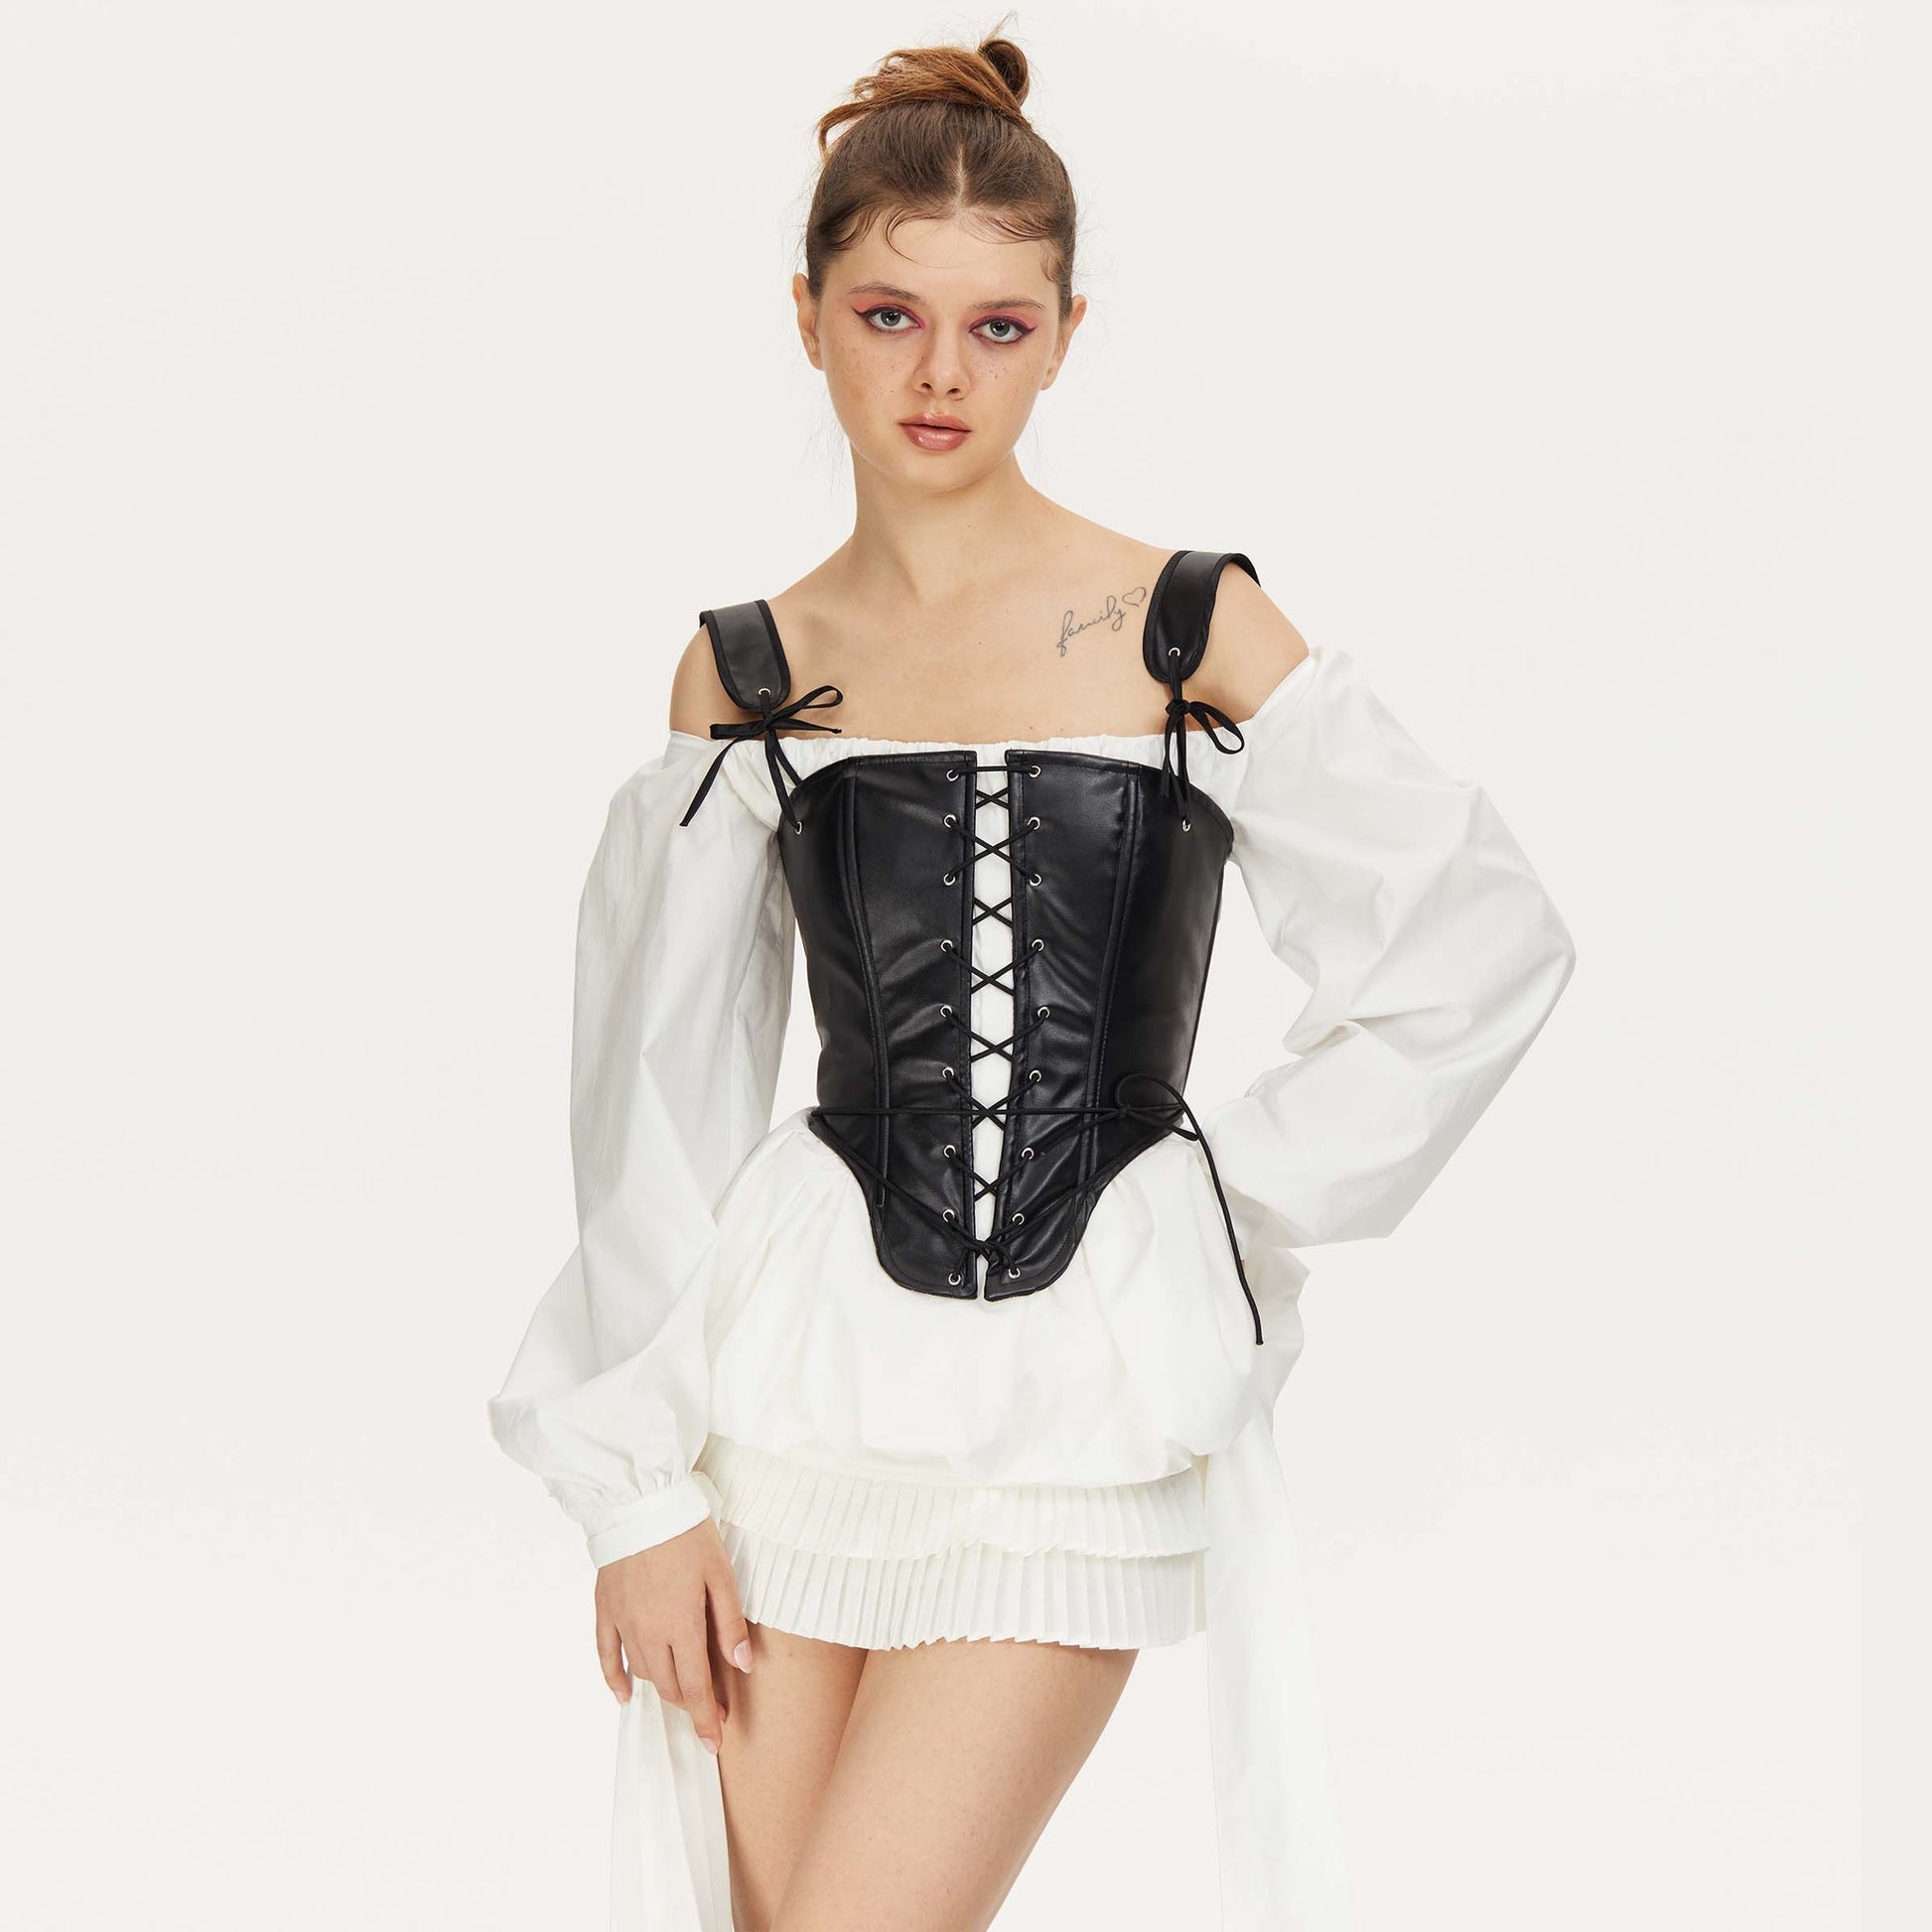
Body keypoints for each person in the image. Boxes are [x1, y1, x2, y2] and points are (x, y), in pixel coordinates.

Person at [487, 27, 1577, 1932]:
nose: (939, 373)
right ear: (807, 318)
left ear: (1066, 336)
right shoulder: (748, 674)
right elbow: (651, 1097)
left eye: (996, 327)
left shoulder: (1184, 632)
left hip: (1080, 1405)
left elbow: (1474, 938)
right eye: (889, 316)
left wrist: (1213, 1200)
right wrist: (638, 1490)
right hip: (792, 1390)